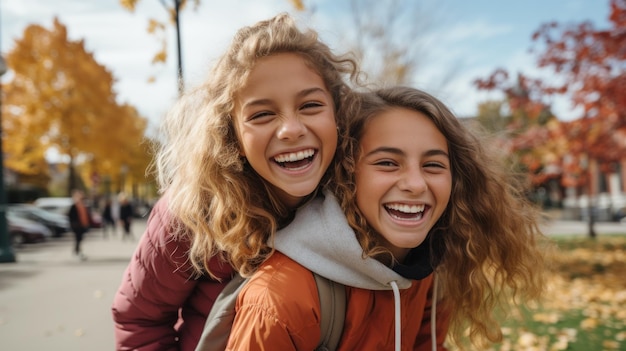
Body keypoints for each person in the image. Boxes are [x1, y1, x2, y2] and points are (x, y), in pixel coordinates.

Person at [223, 87, 547, 350]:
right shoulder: (281, 301)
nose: (416, 184)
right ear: (346, 175)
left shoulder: (425, 271)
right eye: (388, 163)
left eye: (433, 165)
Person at [111, 13, 361, 351]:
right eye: (262, 114)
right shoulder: (192, 212)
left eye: (310, 105)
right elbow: (139, 319)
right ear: (231, 136)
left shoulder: (360, 199)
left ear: (338, 115)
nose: (291, 129)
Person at [67, 189, 91, 261]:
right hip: (76, 226)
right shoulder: (74, 206)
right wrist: (73, 224)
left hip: (83, 225)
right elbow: (70, 216)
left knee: (80, 239)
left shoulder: (83, 205)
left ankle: (77, 251)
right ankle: (78, 251)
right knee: (78, 239)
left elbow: (86, 215)